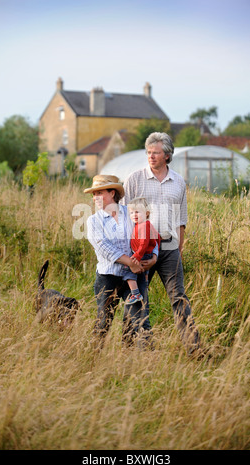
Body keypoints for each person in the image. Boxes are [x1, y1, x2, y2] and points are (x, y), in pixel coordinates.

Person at [122, 132, 201, 355]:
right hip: (141, 250)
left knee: (179, 297)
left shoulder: (178, 182)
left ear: (167, 155)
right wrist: (131, 255)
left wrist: (179, 250)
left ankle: (194, 349)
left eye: (156, 152)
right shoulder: (134, 179)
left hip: (168, 247)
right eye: (148, 152)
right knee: (138, 297)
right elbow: (123, 217)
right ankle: (134, 347)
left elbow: (181, 220)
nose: (151, 156)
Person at [84, 174, 157, 348]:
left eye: (99, 193)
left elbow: (149, 233)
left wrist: (154, 257)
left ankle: (141, 359)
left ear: (112, 193)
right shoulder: (93, 221)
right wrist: (130, 262)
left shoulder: (131, 213)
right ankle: (92, 357)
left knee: (139, 317)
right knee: (103, 321)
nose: (95, 198)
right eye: (93, 194)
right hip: (108, 276)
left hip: (134, 276)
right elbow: (103, 247)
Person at [124, 197, 161, 305]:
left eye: (137, 212)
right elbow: (158, 237)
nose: (134, 215)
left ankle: (135, 293)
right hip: (146, 254)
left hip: (142, 254)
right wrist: (155, 248)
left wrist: (136, 256)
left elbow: (144, 243)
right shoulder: (143, 224)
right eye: (131, 213)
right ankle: (144, 285)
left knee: (128, 270)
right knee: (144, 273)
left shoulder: (144, 226)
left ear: (147, 213)